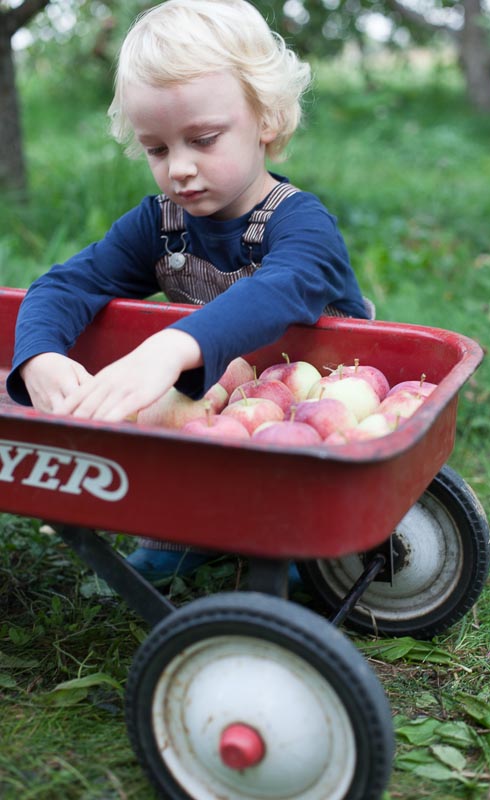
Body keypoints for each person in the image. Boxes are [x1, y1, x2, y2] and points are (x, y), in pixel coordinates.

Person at [7, 0, 371, 585]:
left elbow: (278, 291)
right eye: (158, 148)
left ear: (266, 119)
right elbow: (67, 284)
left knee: (294, 493)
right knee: (184, 432)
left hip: (314, 412)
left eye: (202, 139)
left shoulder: (302, 226)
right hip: (222, 412)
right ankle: (189, 528)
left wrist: (171, 346)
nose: (178, 168)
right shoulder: (160, 224)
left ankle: (312, 543)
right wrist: (41, 355)